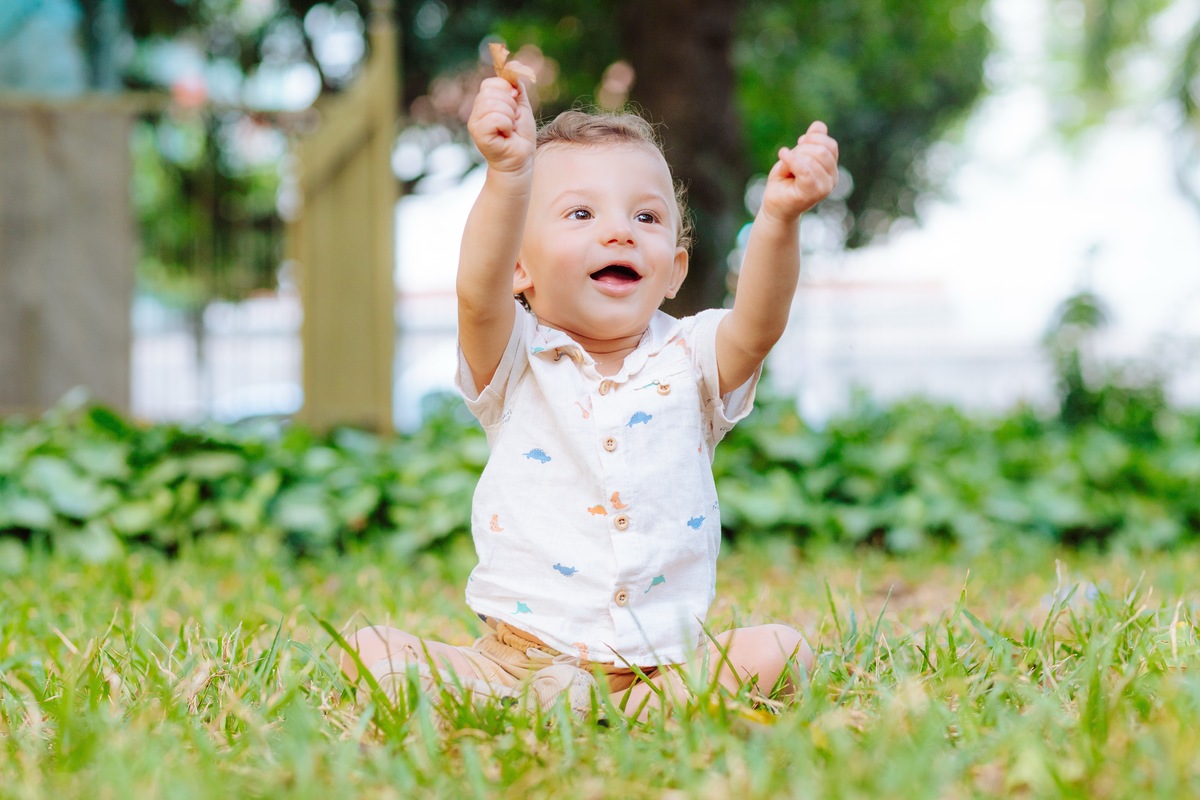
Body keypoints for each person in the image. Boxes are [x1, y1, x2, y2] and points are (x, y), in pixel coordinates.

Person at [342, 63, 839, 721]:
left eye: (646, 216)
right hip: (517, 657)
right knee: (365, 647)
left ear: (674, 270)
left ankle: (625, 709)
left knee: (784, 651)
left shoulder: (691, 359)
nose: (619, 231)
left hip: (660, 663)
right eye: (581, 212)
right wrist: (509, 174)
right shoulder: (514, 358)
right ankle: (543, 699)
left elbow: (758, 325)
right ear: (521, 267)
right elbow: (476, 292)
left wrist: (778, 217)